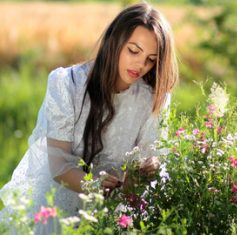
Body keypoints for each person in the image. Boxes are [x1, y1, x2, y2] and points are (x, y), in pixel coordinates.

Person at [0, 2, 178, 233]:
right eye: (133, 51)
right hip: (62, 204)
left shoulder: (153, 97)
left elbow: (149, 158)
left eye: (151, 59)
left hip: (118, 209)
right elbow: (58, 164)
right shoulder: (67, 84)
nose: (140, 65)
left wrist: (146, 169)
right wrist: (93, 185)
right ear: (115, 42)